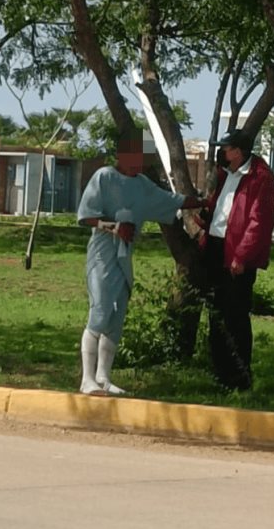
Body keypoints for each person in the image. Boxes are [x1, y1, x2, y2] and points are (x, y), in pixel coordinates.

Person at [76, 133, 205, 396]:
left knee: (117, 314)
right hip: (102, 254)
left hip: (125, 257)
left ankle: (104, 377)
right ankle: (87, 378)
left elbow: (173, 201)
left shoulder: (143, 185)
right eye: (134, 155)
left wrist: (204, 201)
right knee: (100, 310)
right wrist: (114, 227)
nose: (138, 161)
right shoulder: (104, 177)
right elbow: (85, 216)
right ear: (121, 155)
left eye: (142, 156)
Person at [202, 129, 274, 390]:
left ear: (238, 151)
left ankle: (239, 378)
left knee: (235, 316)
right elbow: (220, 210)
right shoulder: (227, 175)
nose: (222, 152)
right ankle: (219, 373)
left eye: (226, 148)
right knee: (216, 314)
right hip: (215, 248)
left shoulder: (260, 178)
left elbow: (259, 223)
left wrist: (241, 256)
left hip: (235, 254)